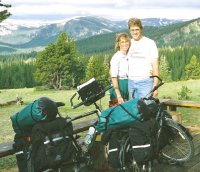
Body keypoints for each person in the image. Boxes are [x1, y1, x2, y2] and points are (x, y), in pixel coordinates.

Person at [127, 18, 159, 99]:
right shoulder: (128, 43)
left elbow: (155, 65)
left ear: (141, 29)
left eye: (137, 29)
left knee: (147, 108)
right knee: (133, 109)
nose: (135, 32)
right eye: (132, 30)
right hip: (131, 82)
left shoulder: (150, 43)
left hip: (146, 82)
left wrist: (155, 86)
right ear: (129, 30)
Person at [109, 32, 131, 106]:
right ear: (118, 44)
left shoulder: (128, 56)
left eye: (126, 41)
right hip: (119, 84)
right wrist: (118, 95)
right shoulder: (116, 57)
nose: (125, 44)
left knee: (126, 109)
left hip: (127, 83)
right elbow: (113, 76)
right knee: (118, 109)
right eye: (122, 42)